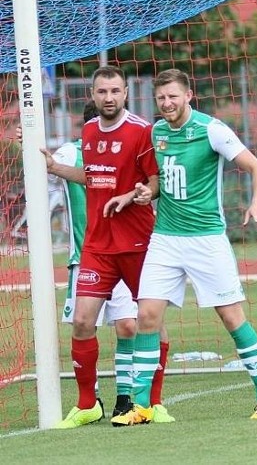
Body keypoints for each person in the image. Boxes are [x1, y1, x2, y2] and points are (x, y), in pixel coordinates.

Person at [112, 68, 257, 424]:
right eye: (161, 98)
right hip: (166, 238)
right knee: (147, 316)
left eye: (173, 96)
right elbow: (158, 183)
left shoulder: (211, 129)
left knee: (231, 317)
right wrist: (145, 193)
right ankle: (141, 406)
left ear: (188, 95)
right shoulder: (155, 132)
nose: (167, 103)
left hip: (206, 239)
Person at [42, 66, 161, 428]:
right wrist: (54, 168)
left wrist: (141, 194)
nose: (108, 98)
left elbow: (155, 182)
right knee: (81, 321)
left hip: (138, 242)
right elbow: (93, 177)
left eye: (115, 91)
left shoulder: (142, 131)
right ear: (92, 95)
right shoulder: (90, 131)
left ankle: (153, 403)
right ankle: (87, 404)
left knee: (149, 321)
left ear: (125, 93)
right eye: (102, 92)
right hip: (97, 244)